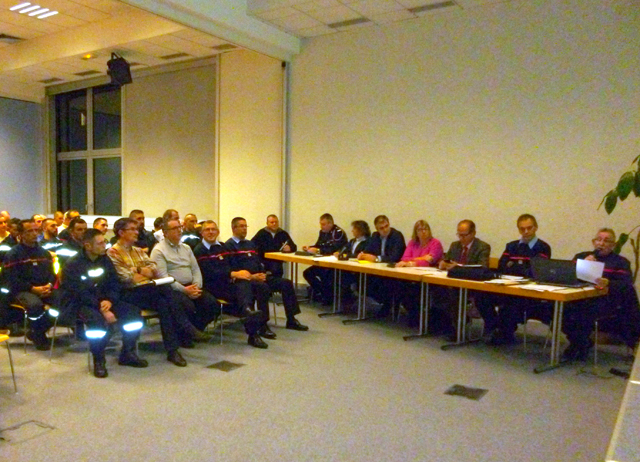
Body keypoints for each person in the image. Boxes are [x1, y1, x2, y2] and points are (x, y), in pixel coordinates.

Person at [61, 229, 148, 378]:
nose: (104, 246)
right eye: (100, 243)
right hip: (81, 303)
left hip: (106, 301)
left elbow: (114, 283)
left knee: (133, 314)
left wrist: (110, 300)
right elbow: (79, 292)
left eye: (105, 242)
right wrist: (102, 308)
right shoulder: (73, 264)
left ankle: (127, 353)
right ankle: (99, 360)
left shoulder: (105, 259)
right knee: (97, 323)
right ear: (88, 246)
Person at [107, 217, 188, 367]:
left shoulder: (138, 251)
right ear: (121, 232)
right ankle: (185, 327)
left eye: (136, 229)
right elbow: (126, 278)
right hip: (127, 293)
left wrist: (137, 270)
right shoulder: (112, 253)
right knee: (166, 289)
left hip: (147, 292)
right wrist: (144, 272)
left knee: (164, 303)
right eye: (132, 229)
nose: (137, 232)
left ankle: (172, 350)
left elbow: (154, 270)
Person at [561, 228, 640, 361]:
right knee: (558, 309)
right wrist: (583, 264)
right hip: (579, 298)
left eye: (606, 241)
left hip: (606, 301)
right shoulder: (582, 256)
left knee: (582, 312)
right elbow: (567, 276)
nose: (601, 243)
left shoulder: (620, 262)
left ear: (613, 245)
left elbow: (626, 285)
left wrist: (608, 282)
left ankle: (579, 344)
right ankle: (580, 342)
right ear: (593, 242)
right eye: (598, 240)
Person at [226, 217, 309, 336]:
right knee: (262, 287)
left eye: (246, 226)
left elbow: (257, 261)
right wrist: (253, 276)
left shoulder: (250, 244)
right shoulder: (229, 246)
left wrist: (263, 273)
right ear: (234, 228)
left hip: (259, 276)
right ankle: (262, 324)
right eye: (242, 226)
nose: (245, 229)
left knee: (286, 283)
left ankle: (291, 319)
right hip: (245, 281)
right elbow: (234, 268)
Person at [194, 220, 269, 348]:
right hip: (212, 287)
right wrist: (232, 274)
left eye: (213, 229)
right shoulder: (199, 250)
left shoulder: (222, 247)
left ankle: (250, 319)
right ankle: (252, 328)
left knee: (250, 286)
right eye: (207, 229)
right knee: (244, 295)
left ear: (218, 232)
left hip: (228, 284)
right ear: (202, 233)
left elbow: (232, 264)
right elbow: (209, 272)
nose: (211, 232)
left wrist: (243, 274)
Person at [486, 213, 552, 345]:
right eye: (522, 229)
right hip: (507, 287)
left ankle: (505, 332)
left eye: (529, 228)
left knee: (512, 302)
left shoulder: (543, 247)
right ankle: (494, 326)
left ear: (535, 228)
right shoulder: (511, 246)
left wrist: (513, 265)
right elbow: (501, 266)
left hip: (529, 292)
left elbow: (535, 271)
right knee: (482, 297)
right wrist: (521, 266)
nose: (526, 231)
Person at [150, 219, 219, 339]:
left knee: (212, 304)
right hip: (173, 289)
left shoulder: (186, 248)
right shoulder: (158, 250)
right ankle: (187, 334)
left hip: (191, 286)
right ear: (165, 232)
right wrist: (184, 290)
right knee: (188, 306)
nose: (179, 230)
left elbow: (195, 269)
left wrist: (196, 286)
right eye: (174, 228)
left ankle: (194, 330)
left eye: (179, 227)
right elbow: (163, 277)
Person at [2, 219, 58, 350]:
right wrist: (33, 289)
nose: (34, 234)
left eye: (36, 230)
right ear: (21, 234)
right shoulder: (13, 254)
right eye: (29, 231)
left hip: (44, 288)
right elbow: (11, 279)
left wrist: (49, 285)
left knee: (64, 300)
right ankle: (39, 335)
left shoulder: (44, 253)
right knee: (35, 305)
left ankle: (37, 330)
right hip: (22, 291)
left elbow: (52, 274)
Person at [438, 220, 492, 336]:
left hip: (472, 285)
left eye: (464, 235)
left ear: (473, 233)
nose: (461, 238)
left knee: (453, 294)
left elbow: (482, 267)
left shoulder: (482, 247)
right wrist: (443, 263)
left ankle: (457, 327)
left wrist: (458, 267)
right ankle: (448, 324)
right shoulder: (455, 245)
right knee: (439, 290)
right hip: (454, 282)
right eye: (459, 235)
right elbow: (447, 259)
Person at [358, 215, 407, 318]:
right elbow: (368, 250)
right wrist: (362, 254)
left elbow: (394, 257)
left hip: (394, 271)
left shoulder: (397, 236)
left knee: (386, 283)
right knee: (362, 281)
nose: (385, 229)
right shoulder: (375, 236)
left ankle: (387, 305)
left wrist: (377, 259)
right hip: (379, 270)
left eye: (386, 226)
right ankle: (384, 304)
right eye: (381, 228)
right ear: (377, 229)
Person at [396, 220, 443, 326]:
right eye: (420, 230)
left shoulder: (435, 243)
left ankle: (419, 317)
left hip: (430, 279)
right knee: (399, 286)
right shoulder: (412, 243)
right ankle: (414, 315)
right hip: (411, 277)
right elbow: (404, 258)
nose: (423, 232)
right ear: (416, 232)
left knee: (413, 290)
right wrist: (421, 258)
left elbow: (429, 261)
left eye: (425, 229)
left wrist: (412, 262)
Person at [302, 213, 348, 304]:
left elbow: (333, 249)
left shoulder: (338, 233)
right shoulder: (322, 232)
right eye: (321, 224)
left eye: (323, 224)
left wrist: (318, 250)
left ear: (330, 223)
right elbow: (319, 245)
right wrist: (309, 248)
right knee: (307, 273)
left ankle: (327, 296)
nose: (321, 226)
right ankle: (323, 293)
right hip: (323, 262)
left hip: (335, 264)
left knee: (326, 275)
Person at [252, 214, 298, 278]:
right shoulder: (261, 233)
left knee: (277, 269)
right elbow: (252, 245)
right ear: (267, 223)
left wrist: (289, 248)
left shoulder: (283, 233)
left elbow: (294, 247)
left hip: (277, 261)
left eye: (276, 222)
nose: (274, 224)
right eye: (272, 222)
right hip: (263, 260)